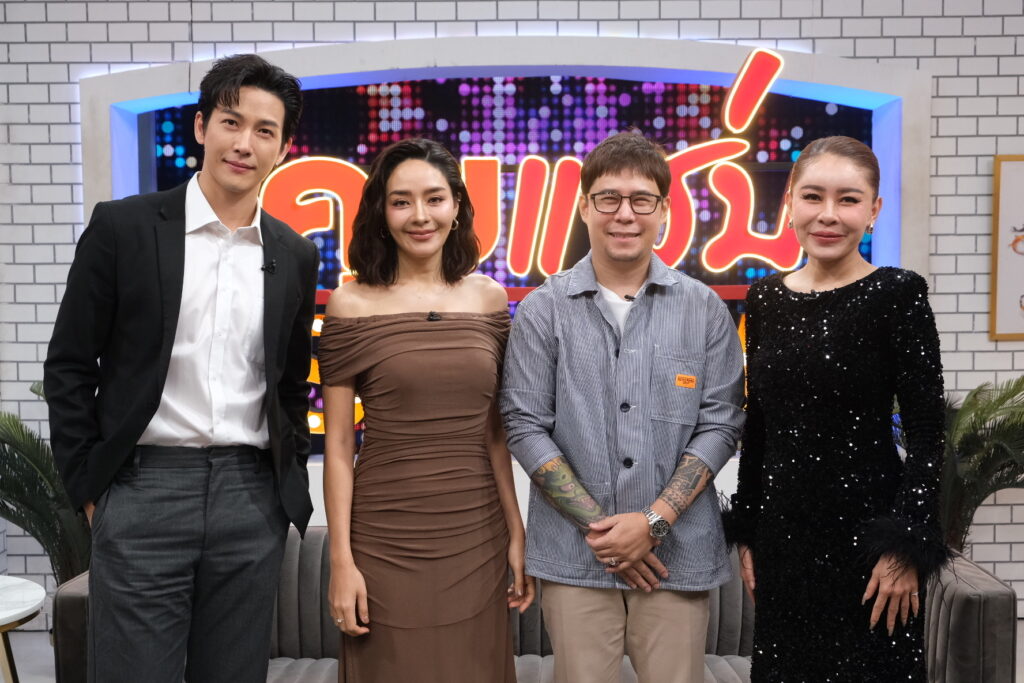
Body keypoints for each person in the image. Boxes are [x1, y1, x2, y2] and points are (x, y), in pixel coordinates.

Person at [43, 54, 318, 682]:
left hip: (250, 498)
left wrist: (282, 489)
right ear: (201, 127)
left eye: (264, 131)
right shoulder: (124, 228)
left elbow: (289, 387)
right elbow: (69, 365)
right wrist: (90, 489)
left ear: (282, 148)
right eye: (231, 122)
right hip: (144, 488)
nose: (244, 144)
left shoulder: (294, 254)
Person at [500, 131, 746, 683]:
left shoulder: (704, 309)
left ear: (665, 209)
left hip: (678, 556)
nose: (625, 214)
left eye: (641, 200)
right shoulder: (543, 310)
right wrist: (608, 534)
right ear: (584, 206)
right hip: (575, 556)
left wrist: (654, 522)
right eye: (608, 198)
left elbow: (721, 423)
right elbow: (523, 424)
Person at [723, 135, 950, 682]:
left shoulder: (898, 294)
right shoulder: (765, 299)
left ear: (873, 210)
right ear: (789, 204)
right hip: (784, 545)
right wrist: (748, 532)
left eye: (848, 199)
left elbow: (927, 430)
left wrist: (905, 545)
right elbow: (760, 427)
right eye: (813, 196)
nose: (828, 214)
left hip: (872, 549)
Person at [318, 137, 534, 683]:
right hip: (383, 540)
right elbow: (339, 447)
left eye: (435, 198)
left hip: (476, 535)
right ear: (381, 211)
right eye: (401, 201)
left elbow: (496, 436)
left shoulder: (488, 299)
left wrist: (517, 532)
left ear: (456, 206)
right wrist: (341, 562)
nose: (420, 216)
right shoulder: (350, 303)